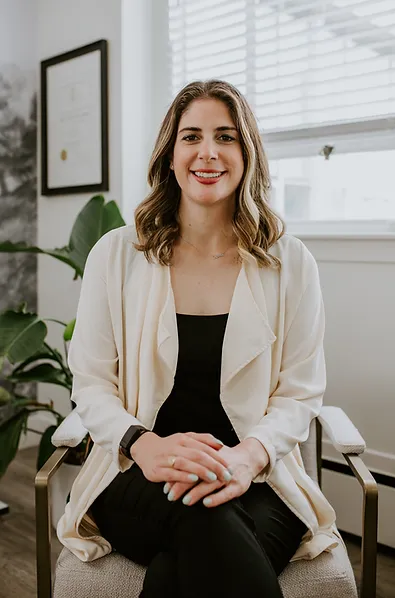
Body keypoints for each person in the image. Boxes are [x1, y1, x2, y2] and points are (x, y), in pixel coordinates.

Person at [57, 80, 339, 597]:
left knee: (189, 551)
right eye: (192, 136)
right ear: (170, 155)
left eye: (225, 137)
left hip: (258, 476)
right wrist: (143, 445)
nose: (208, 152)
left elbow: (300, 394)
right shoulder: (116, 255)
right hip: (135, 470)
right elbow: (92, 383)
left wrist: (247, 457)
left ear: (246, 152)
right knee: (206, 522)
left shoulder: (291, 261)